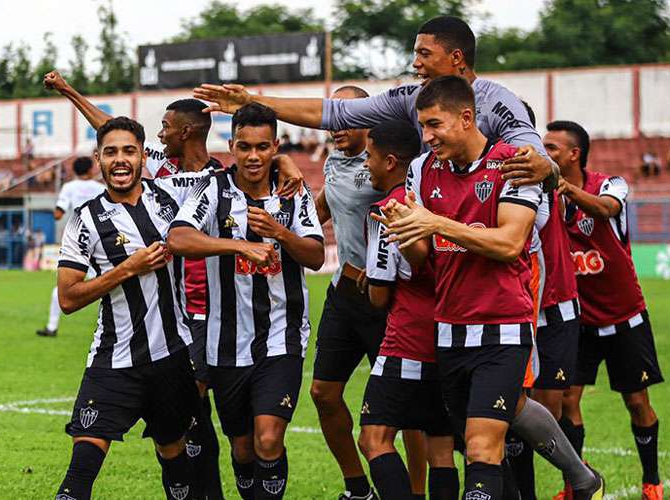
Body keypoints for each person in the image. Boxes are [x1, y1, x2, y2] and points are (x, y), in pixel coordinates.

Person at [44, 69, 304, 499]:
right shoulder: (158, 174)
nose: (157, 138)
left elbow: (253, 163)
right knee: (191, 428)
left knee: (205, 427)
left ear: (185, 132)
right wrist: (71, 91)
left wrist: (282, 159)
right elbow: (112, 135)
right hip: (173, 323)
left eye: (164, 129)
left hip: (210, 319)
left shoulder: (213, 180)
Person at [378, 76, 604, 500]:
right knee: (492, 434)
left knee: (482, 447)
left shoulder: (515, 164)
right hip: (448, 327)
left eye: (433, 125)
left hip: (503, 326)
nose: (425, 137)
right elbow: (424, 255)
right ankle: (582, 476)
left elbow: (508, 243)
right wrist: (405, 234)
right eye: (421, 127)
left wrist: (436, 222)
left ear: (467, 117)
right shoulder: (422, 170)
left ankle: (578, 476)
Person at [193, 15, 558, 190]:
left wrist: (545, 168)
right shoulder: (410, 98)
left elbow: (535, 157)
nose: (415, 63)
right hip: (435, 240)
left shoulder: (497, 102)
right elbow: (336, 112)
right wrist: (251, 101)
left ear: (457, 58)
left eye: (424, 54)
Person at [168, 103, 325, 500]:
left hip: (281, 338)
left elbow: (316, 255)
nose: (253, 156)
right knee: (242, 447)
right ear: (231, 146)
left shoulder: (293, 193)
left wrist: (280, 234)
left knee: (268, 440)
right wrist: (238, 244)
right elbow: (179, 238)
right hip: (225, 343)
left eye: (262, 147)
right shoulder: (213, 190)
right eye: (244, 147)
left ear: (275, 146)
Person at [54, 116, 212, 500]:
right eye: (111, 152)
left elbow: (227, 178)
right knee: (80, 472)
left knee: (174, 458)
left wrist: (286, 162)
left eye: (129, 150)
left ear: (144, 155)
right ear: (98, 159)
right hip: (112, 361)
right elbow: (68, 298)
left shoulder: (172, 196)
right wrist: (127, 269)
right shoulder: (84, 220)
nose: (120, 160)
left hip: (172, 358)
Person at [310, 86, 426, 500]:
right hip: (344, 290)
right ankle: (358, 488)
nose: (335, 127)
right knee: (323, 393)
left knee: (407, 410)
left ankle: (414, 491)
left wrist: (385, 270)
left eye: (346, 118)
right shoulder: (334, 162)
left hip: (387, 298)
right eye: (333, 121)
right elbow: (326, 208)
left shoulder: (386, 162)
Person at [545, 120, 665, 500]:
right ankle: (575, 483)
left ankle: (652, 481)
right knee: (567, 401)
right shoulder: (544, 197)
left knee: (636, 401)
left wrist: (566, 189)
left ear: (573, 154)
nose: (544, 152)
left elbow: (606, 208)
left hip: (624, 318)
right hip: (577, 321)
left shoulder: (611, 184)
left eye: (552, 148)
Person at [358, 119, 458, 500]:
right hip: (448, 333)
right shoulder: (436, 200)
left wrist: (372, 281)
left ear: (390, 161)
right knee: (441, 446)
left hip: (408, 340)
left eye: (369, 156)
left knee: (374, 438)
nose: (365, 163)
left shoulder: (390, 211)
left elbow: (380, 296)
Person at [36, 156, 105, 338]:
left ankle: (52, 327)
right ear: (91, 169)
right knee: (109, 284)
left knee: (60, 290)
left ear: (74, 171)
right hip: (101, 242)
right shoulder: (101, 188)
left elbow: (58, 214)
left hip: (79, 242)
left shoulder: (69, 188)